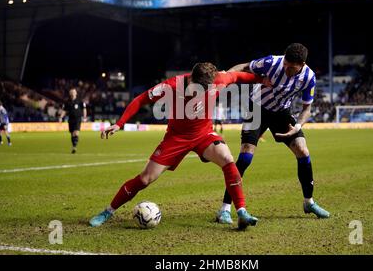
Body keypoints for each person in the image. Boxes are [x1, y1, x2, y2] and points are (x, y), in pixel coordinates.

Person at [89, 63, 262, 229]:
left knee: (227, 158)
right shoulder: (172, 86)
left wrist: (264, 81)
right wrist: (119, 123)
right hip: (176, 138)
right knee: (145, 178)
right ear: (191, 80)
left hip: (203, 134)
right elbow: (140, 99)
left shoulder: (218, 80)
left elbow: (239, 75)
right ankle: (107, 212)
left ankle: (241, 211)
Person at [216, 43, 330, 224]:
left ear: (301, 65)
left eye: (291, 67)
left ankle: (309, 202)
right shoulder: (271, 62)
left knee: (303, 150)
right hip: (257, 110)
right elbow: (244, 66)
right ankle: (224, 209)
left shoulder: (309, 77)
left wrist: (298, 126)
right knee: (245, 156)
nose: (286, 68)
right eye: (285, 63)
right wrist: (225, 77)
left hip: (281, 114)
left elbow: (307, 108)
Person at [59, 89, 87, 154]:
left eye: (74, 92)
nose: (73, 93)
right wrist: (60, 117)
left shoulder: (80, 101)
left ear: (76, 93)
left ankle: (74, 146)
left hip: (78, 119)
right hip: (70, 119)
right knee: (72, 134)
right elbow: (64, 110)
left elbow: (84, 109)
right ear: (69, 93)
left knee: (76, 132)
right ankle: (74, 146)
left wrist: (85, 117)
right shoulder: (67, 102)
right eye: (71, 92)